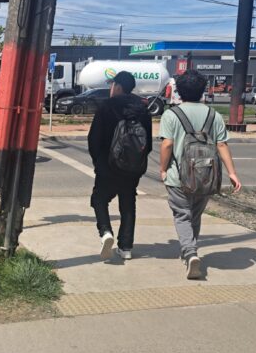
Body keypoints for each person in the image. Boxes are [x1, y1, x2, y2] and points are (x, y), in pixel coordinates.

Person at [159, 69, 241, 280]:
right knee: (194, 215)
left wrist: (162, 169)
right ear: (203, 91)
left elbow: (167, 144)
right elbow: (221, 144)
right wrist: (232, 173)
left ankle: (190, 252)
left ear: (179, 91)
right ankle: (190, 251)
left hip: (179, 176)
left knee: (182, 215)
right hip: (207, 176)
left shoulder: (171, 114)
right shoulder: (213, 115)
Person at [88, 71, 152, 261]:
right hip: (132, 168)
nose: (111, 88)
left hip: (107, 165)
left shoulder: (106, 107)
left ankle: (106, 232)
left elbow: (94, 139)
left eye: (112, 85)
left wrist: (98, 162)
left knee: (99, 199)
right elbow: (146, 143)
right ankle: (125, 247)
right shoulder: (142, 109)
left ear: (118, 86)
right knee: (128, 204)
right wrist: (137, 161)